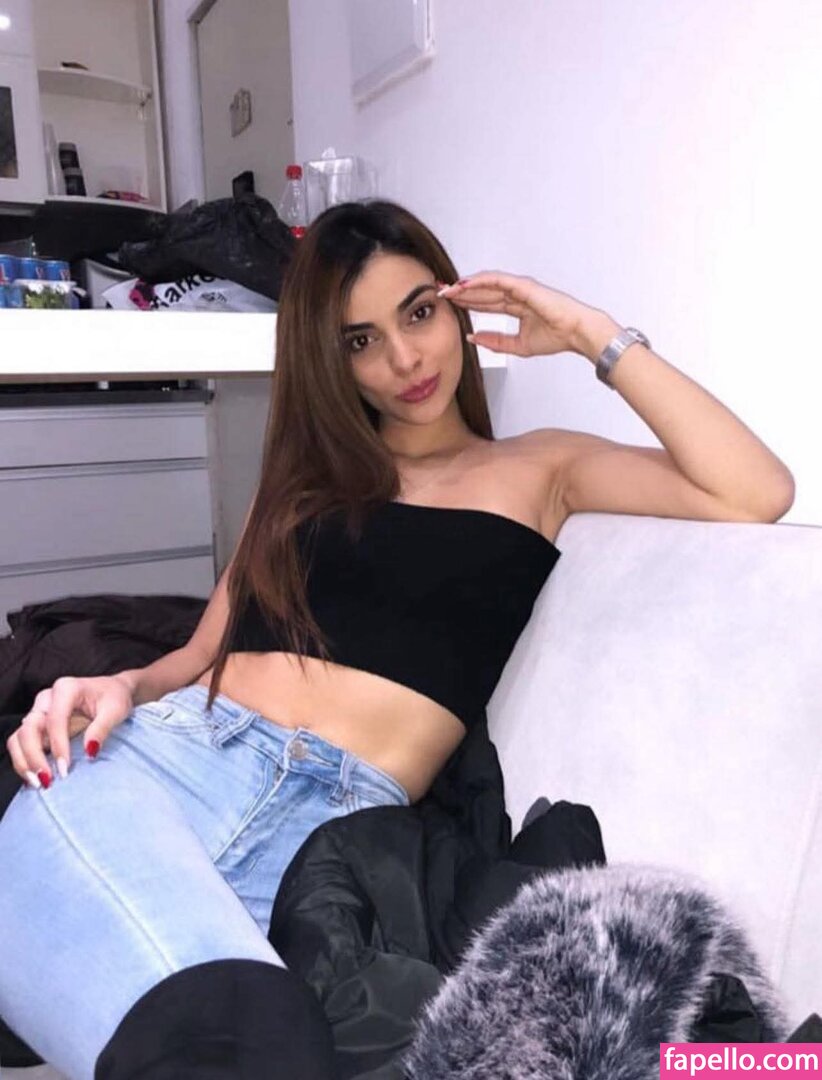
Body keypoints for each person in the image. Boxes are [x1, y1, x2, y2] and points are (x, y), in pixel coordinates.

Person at [0, 199, 794, 1079]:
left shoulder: (542, 468)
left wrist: (587, 332)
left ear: (456, 307)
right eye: (360, 340)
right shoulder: (299, 486)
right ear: (330, 360)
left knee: (252, 1034)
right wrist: (119, 686)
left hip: (333, 835)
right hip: (173, 759)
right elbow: (195, 661)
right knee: (62, 838)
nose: (405, 360)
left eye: (419, 313)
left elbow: (754, 490)